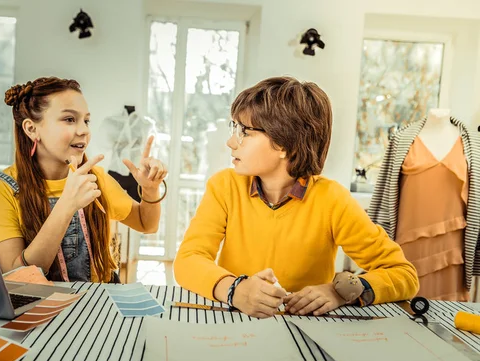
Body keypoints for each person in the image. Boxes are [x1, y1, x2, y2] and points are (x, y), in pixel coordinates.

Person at [174, 76, 419, 318]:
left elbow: (403, 274)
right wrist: (235, 290)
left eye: (245, 132)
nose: (231, 142)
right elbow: (188, 260)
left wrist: (341, 291)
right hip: (235, 325)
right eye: (234, 129)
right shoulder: (224, 186)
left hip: (307, 333)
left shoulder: (332, 199)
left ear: (283, 144)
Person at [0, 77, 167, 282]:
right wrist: (67, 205)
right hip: (41, 306)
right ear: (31, 129)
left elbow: (146, 224)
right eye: (69, 119)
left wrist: (150, 189)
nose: (84, 130)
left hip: (101, 298)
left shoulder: (96, 179)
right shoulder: (1, 188)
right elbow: (17, 277)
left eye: (86, 120)